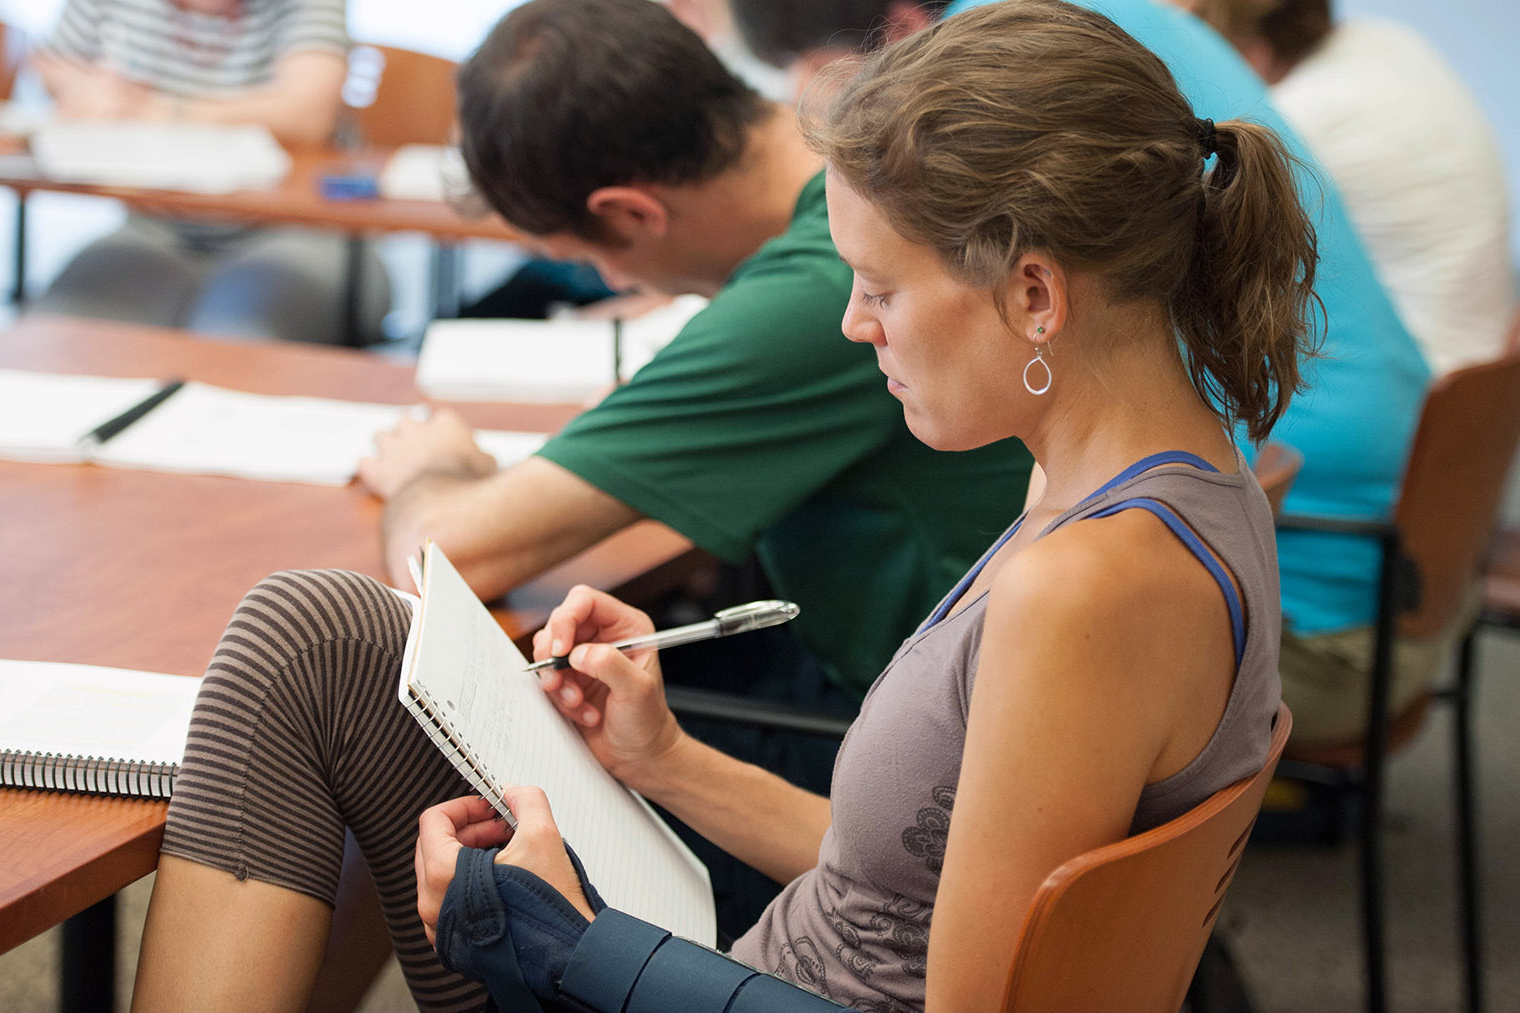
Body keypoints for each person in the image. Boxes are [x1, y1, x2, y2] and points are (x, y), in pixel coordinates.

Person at [131, 0, 1311, 1008]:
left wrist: (574, 938)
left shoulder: (1084, 583)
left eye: (881, 287)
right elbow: (897, 884)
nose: (854, 323)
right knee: (329, 639)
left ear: (1035, 293)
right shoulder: (1164, 473)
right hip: (750, 957)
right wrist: (667, 760)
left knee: (309, 638)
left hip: (686, 978)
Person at [354, 0, 1032, 708]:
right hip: (918, 684)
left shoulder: (818, 290)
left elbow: (445, 553)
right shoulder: (847, 165)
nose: (618, 284)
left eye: (592, 257)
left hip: (894, 728)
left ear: (632, 213)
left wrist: (430, 467)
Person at [1180, 0, 1513, 378]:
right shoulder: (1389, 41)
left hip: (1423, 391)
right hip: (1488, 367)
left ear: (1254, 53)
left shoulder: (1299, 120)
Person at [28, 0, 392, 345]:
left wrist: (158, 111)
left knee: (233, 346)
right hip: (154, 230)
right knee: (58, 339)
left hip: (297, 233)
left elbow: (307, 114)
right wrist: (88, 92)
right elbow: (51, 65)